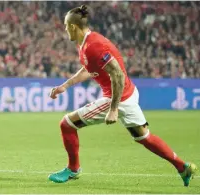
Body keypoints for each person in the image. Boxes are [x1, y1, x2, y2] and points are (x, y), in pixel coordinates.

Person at [47, 5, 197, 186]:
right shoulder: (86, 44)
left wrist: (113, 109)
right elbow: (89, 69)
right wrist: (65, 85)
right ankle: (183, 167)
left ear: (72, 27)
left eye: (65, 26)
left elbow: (117, 74)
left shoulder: (94, 46)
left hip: (117, 97)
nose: (64, 29)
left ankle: (73, 169)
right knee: (144, 137)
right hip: (129, 92)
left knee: (67, 124)